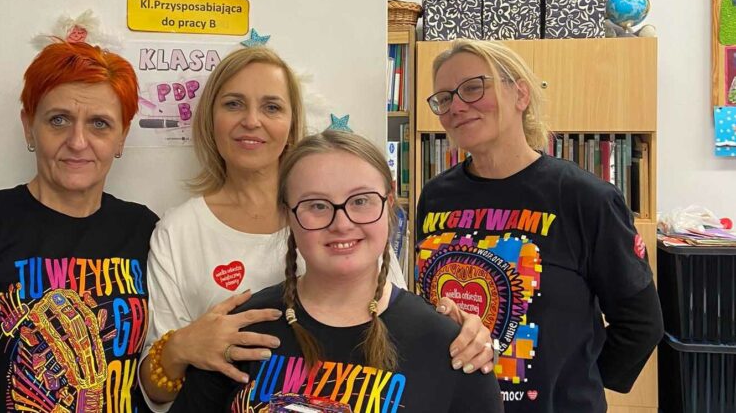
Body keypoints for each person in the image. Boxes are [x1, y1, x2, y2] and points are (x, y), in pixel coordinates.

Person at [140, 47, 495, 410]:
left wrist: (461, 335)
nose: (251, 120)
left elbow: (398, 323)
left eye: (271, 107)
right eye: (233, 104)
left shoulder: (360, 230)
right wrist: (181, 347)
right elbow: (159, 391)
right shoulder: (179, 231)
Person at [172, 130, 504, 412]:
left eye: (361, 201)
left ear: (389, 205)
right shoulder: (240, 330)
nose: (341, 223)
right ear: (288, 215)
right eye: (317, 205)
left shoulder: (452, 345)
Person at [414, 39, 664, 412]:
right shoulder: (435, 197)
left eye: (473, 87)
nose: (457, 107)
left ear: (520, 94)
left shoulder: (585, 198)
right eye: (445, 98)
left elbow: (641, 323)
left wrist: (576, 382)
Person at [0, 41, 159, 412]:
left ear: (121, 136)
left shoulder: (147, 231)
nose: (78, 142)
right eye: (58, 120)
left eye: (100, 124)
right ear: (29, 127)